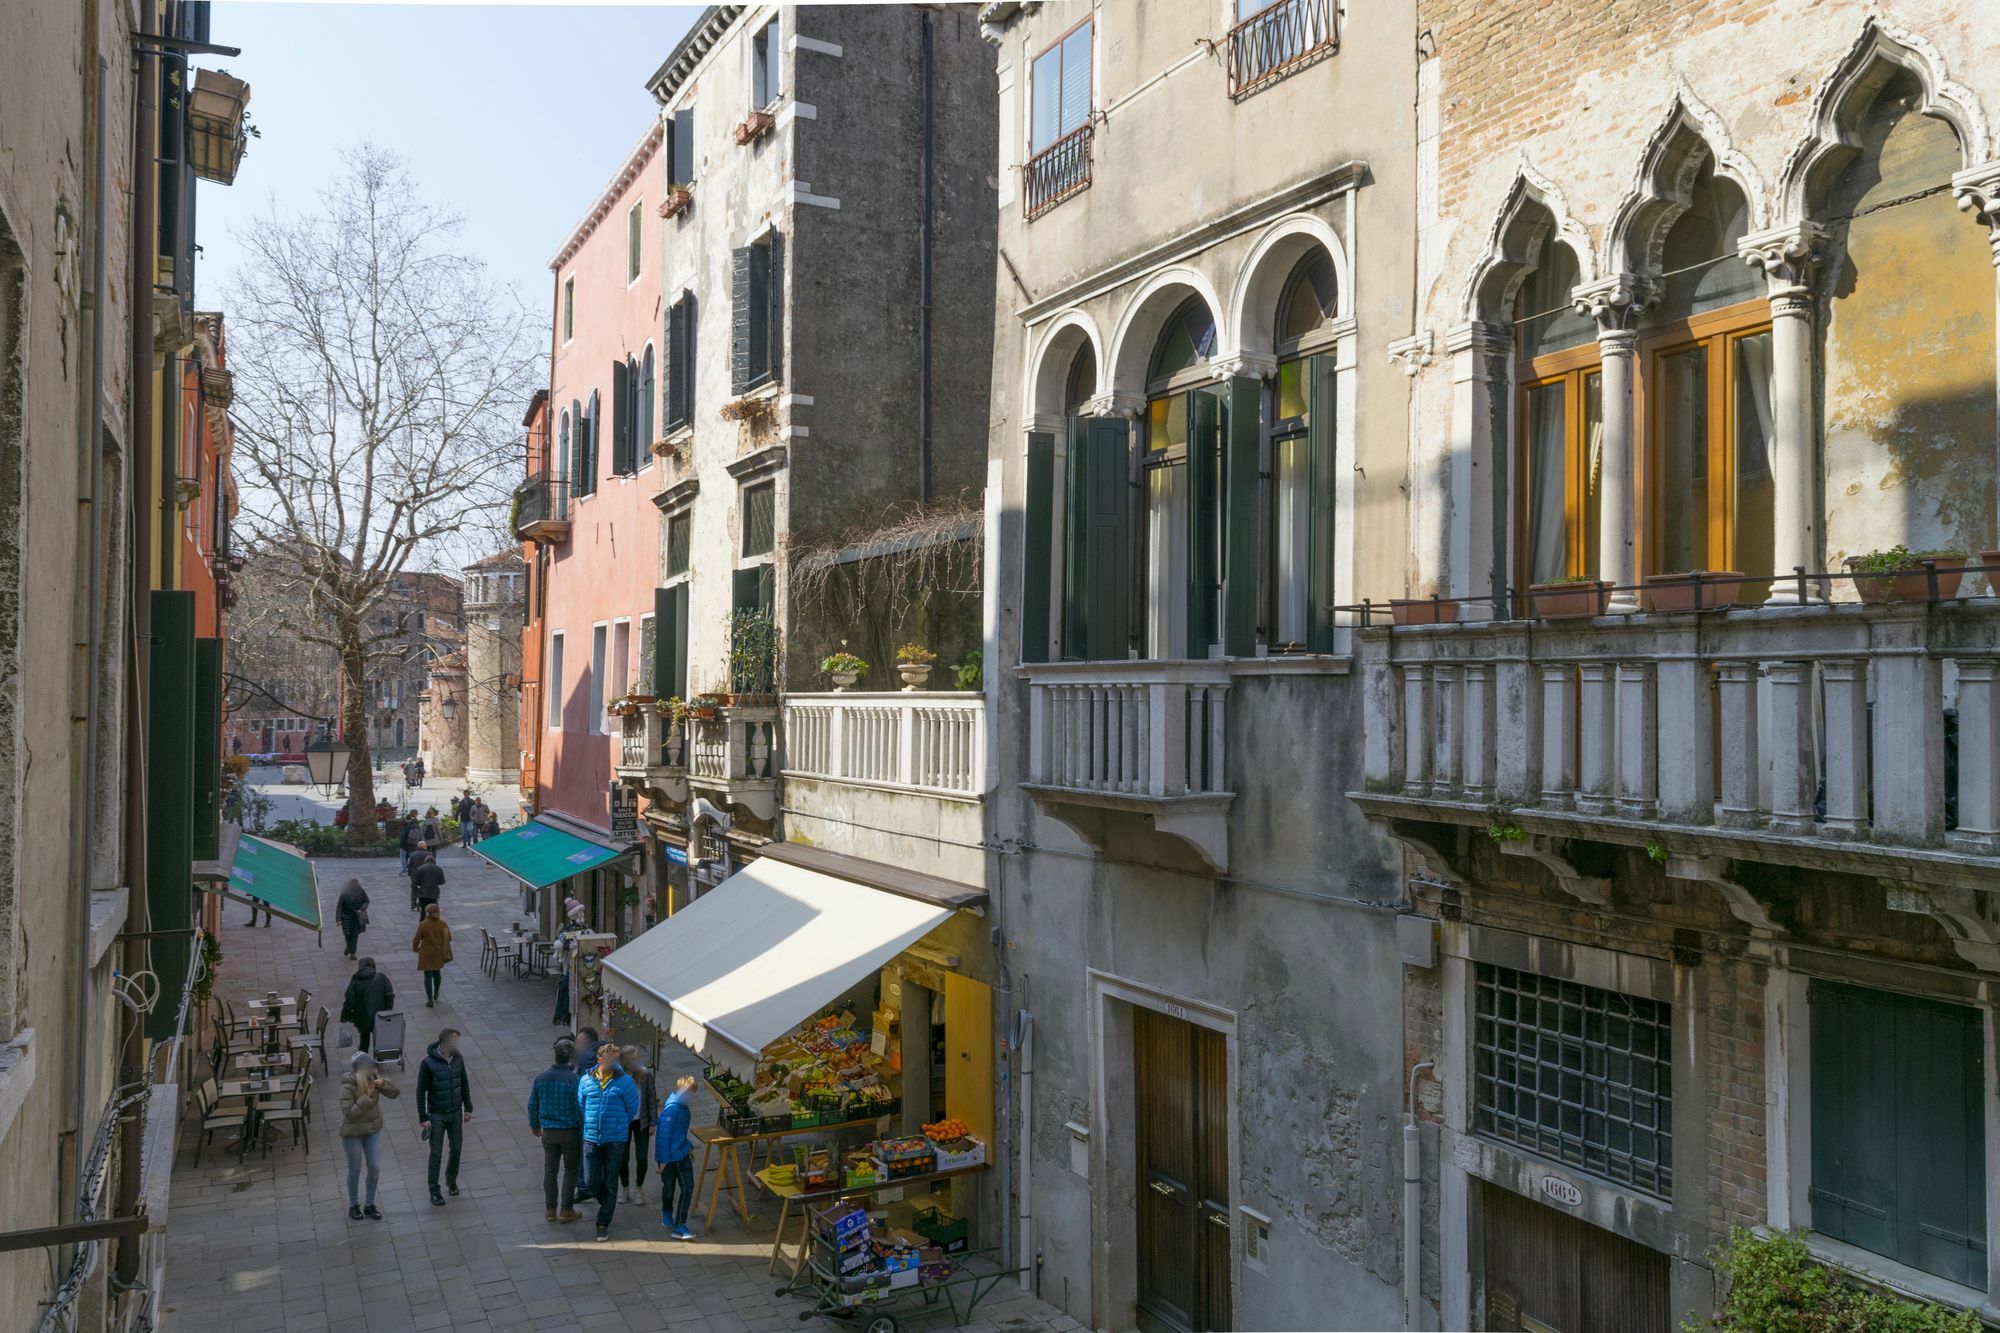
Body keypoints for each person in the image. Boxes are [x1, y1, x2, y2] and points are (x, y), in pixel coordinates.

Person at [576, 1041, 639, 1242]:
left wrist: (618, 1125)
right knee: (590, 1180)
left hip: (615, 1139)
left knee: (611, 1181)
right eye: (609, 1058)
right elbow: (581, 1104)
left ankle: (603, 1222)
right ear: (600, 1059)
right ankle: (607, 1202)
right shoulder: (586, 1080)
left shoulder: (625, 1082)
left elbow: (632, 1108)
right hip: (591, 1137)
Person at [416, 1028, 475, 1206]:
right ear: (444, 1042)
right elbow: (420, 1091)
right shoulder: (428, 1063)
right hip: (437, 1114)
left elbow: (464, 1082)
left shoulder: (458, 1059)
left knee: (456, 1148)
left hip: (455, 1112)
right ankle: (434, 1190)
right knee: (436, 1153)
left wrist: (468, 1107)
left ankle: (451, 1180)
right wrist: (423, 1116)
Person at [338, 1051, 399, 1220]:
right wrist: (367, 1097)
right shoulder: (347, 1086)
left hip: (372, 1130)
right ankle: (354, 1205)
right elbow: (350, 1114)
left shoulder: (374, 1080)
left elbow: (395, 1093)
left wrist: (383, 1084)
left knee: (374, 1167)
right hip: (352, 1134)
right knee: (354, 1170)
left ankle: (370, 1204)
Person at [529, 1037, 584, 1223]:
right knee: (571, 1169)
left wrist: (535, 1124)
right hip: (570, 1130)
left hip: (549, 1131)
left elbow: (533, 1104)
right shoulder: (575, 1080)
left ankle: (550, 1209)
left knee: (550, 1170)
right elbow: (579, 1107)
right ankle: (566, 1209)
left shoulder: (541, 1078)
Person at [655, 1073, 698, 1239]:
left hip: (680, 1154)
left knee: (685, 1187)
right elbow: (663, 1136)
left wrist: (688, 1147)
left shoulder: (681, 1106)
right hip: (672, 1158)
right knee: (671, 1188)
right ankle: (672, 1217)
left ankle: (678, 1223)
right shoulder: (673, 1109)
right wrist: (664, 1160)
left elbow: (678, 1133)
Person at [617, 1045, 658, 1206]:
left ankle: (638, 1187)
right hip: (624, 1121)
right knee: (622, 1157)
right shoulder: (618, 1075)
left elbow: (651, 1098)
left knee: (642, 1157)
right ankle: (625, 1186)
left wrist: (653, 1122)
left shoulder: (645, 1075)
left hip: (642, 1120)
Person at [339, 957, 394, 1056]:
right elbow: (390, 995)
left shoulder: (356, 979)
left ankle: (363, 1059)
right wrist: (388, 1011)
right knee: (379, 1036)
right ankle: (379, 1057)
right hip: (380, 1015)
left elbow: (349, 1000)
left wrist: (345, 1017)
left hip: (362, 1016)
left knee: (364, 1037)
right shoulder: (381, 977)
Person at [411, 903, 452, 1007]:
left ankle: (429, 999)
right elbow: (449, 938)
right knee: (437, 973)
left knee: (427, 975)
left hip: (426, 953)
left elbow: (417, 938)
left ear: (428, 912)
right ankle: (436, 992)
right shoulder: (442, 924)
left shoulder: (423, 924)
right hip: (438, 952)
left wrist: (415, 948)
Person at [334, 877, 370, 960]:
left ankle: (353, 953)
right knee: (347, 935)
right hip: (346, 917)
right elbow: (339, 906)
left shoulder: (361, 891)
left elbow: (366, 900)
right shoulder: (344, 894)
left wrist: (363, 907)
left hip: (357, 916)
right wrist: (338, 919)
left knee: (354, 935)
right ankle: (349, 947)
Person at [413, 846, 445, 917]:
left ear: (425, 861)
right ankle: (433, 926)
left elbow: (415, 882)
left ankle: (423, 926)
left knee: (423, 913)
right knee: (434, 913)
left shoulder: (420, 869)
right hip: (434, 894)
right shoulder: (439, 869)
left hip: (423, 893)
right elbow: (442, 881)